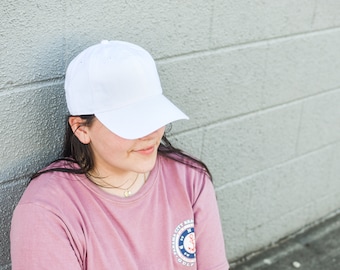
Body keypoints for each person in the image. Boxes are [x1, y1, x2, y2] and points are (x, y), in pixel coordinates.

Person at [10, 40, 229, 269]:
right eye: (132, 122)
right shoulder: (47, 210)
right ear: (81, 129)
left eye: (155, 115)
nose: (151, 133)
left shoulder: (189, 179)